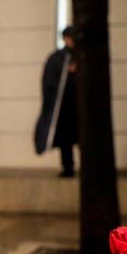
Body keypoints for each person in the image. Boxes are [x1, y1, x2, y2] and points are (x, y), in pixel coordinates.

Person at [34, 26, 78, 177]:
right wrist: (67, 71)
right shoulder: (57, 58)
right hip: (63, 107)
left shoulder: (81, 57)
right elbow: (49, 81)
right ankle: (68, 167)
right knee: (66, 139)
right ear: (66, 39)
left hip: (78, 106)